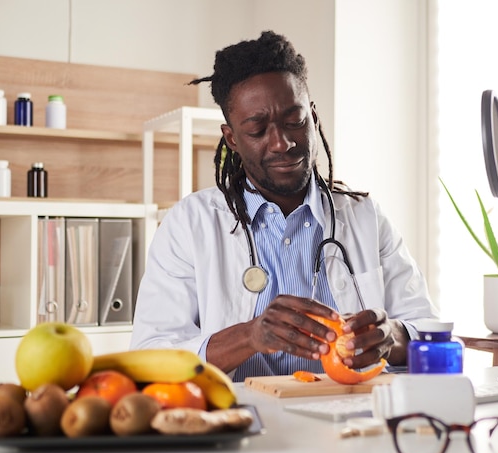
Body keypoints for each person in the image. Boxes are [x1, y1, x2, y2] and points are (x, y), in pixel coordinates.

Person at [130, 30, 438, 381]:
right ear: (231, 138)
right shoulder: (189, 224)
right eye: (258, 129)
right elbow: (149, 355)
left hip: (350, 420)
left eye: (295, 121)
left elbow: (428, 329)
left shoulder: (364, 217)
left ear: (314, 116)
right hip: (240, 423)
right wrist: (250, 336)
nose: (283, 142)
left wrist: (393, 336)